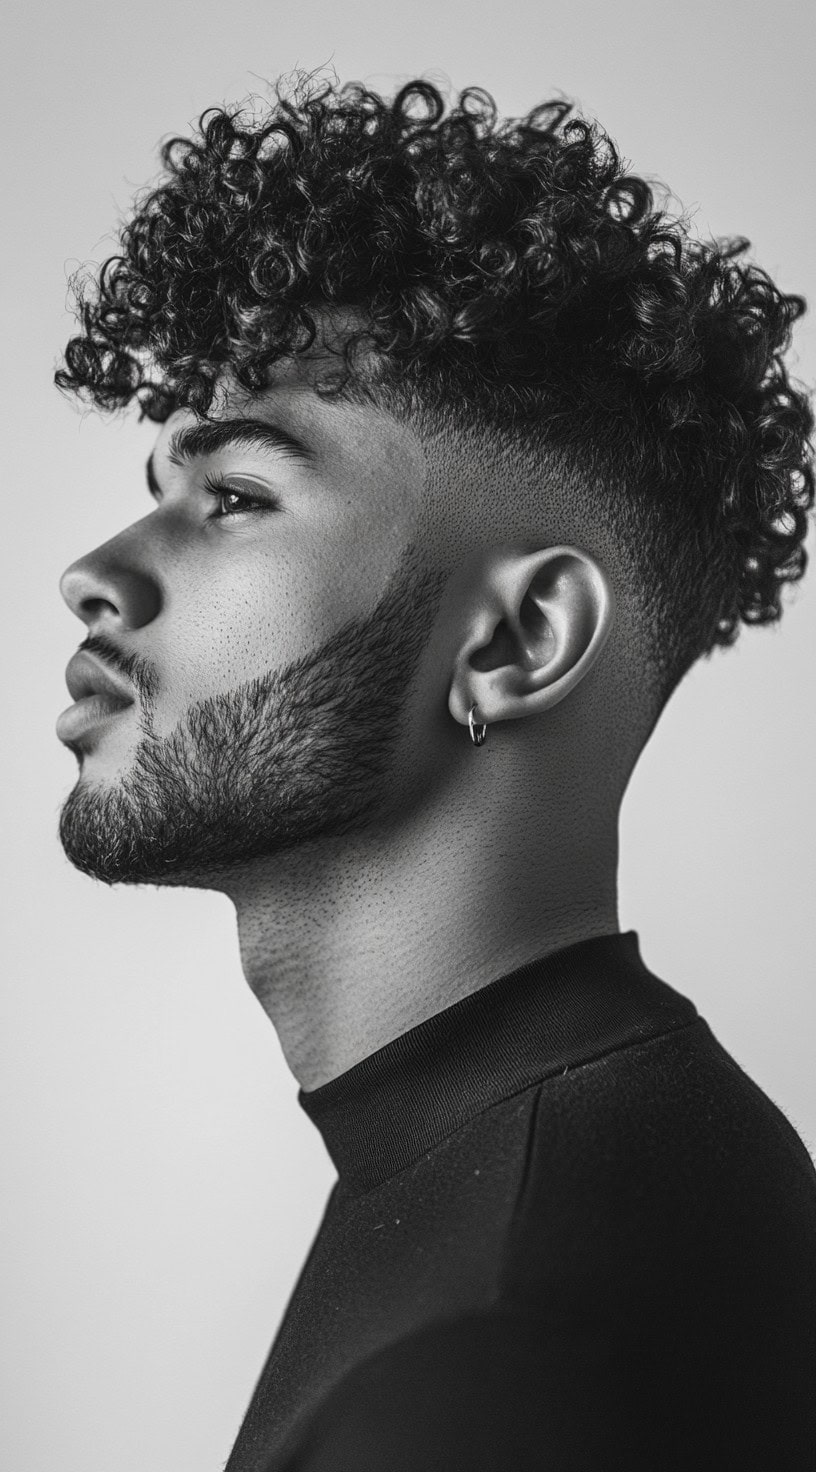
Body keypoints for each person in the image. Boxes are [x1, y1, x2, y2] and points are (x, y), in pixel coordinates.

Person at [54, 76, 816, 1470]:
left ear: (519, 640)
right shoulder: (577, 1163)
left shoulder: (501, 1357)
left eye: (233, 499)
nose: (95, 577)